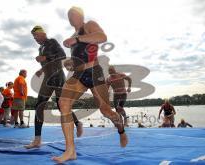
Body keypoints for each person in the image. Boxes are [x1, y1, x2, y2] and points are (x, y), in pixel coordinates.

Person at [52, 7, 128, 163]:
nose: (71, 17)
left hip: (94, 72)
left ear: (81, 15)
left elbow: (102, 36)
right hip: (78, 75)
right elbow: (81, 57)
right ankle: (70, 150)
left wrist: (77, 40)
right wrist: (70, 62)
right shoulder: (73, 35)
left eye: (74, 14)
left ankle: (121, 130)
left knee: (106, 111)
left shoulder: (89, 26)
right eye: (69, 16)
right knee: (63, 102)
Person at [25, 26, 82, 149]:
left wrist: (46, 58)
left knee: (63, 106)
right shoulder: (40, 48)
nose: (35, 39)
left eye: (36, 36)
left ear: (43, 33)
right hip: (47, 78)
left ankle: (78, 123)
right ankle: (37, 140)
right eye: (33, 37)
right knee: (39, 105)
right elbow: (48, 64)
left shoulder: (52, 42)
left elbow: (62, 56)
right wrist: (41, 69)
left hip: (58, 77)